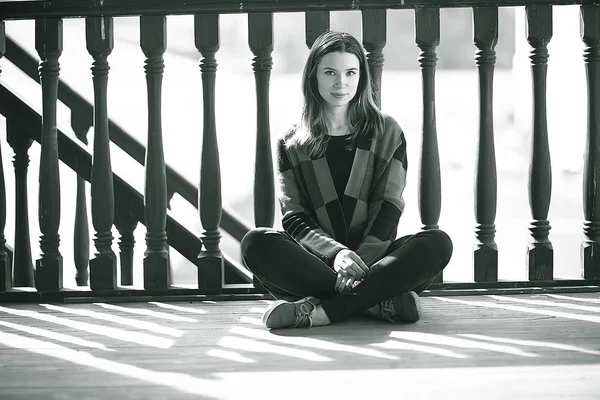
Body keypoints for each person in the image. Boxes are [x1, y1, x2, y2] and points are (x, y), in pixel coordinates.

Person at [241, 30, 453, 330]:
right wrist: (337, 254)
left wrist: (358, 263)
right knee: (256, 243)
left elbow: (389, 208)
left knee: (437, 243)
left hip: (376, 259)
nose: (341, 83)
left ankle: (321, 311)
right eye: (330, 72)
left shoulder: (388, 132)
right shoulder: (292, 142)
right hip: (318, 261)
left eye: (350, 72)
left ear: (361, 78)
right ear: (313, 76)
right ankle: (378, 304)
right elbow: (294, 218)